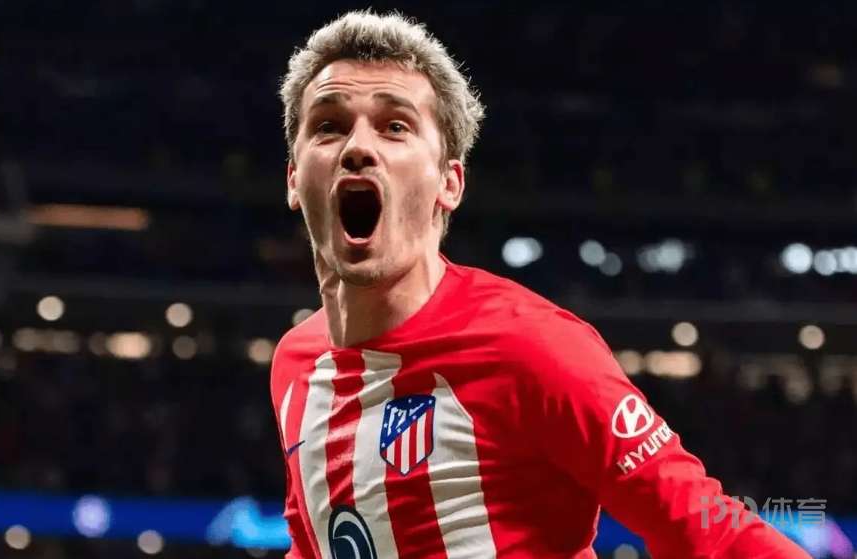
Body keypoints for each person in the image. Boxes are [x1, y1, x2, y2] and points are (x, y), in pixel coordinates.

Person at [270, 10, 811, 559]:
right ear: (293, 178)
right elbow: (312, 541)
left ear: (449, 184)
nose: (358, 147)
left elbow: (709, 527)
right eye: (329, 126)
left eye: (395, 127)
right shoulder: (295, 366)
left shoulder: (531, 346)